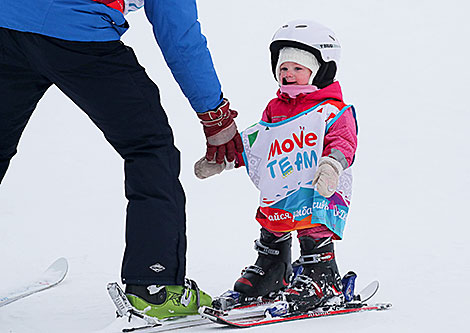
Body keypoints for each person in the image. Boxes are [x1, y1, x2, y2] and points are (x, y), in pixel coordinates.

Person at [0, 0, 243, 319]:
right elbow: (178, 32)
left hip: (8, 24)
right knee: (149, 148)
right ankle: (154, 287)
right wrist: (214, 114)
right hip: (78, 36)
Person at [195, 19, 358, 311]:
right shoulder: (275, 109)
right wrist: (225, 160)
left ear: (320, 70)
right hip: (282, 184)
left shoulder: (332, 109)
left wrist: (332, 165)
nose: (288, 74)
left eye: (298, 68)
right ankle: (272, 269)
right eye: (283, 68)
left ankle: (321, 274)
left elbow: (344, 141)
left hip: (318, 184)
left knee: (313, 226)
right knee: (274, 222)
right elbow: (259, 141)